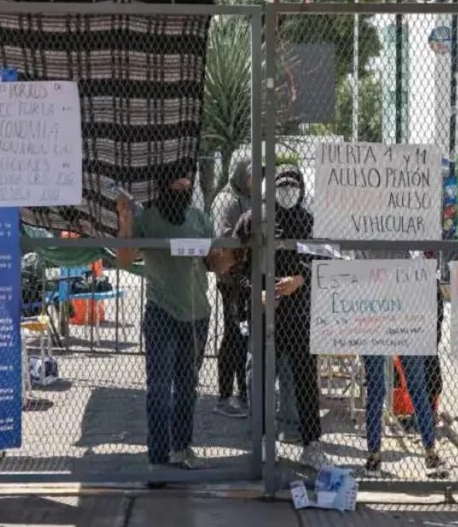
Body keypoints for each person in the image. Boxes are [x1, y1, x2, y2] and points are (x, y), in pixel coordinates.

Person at [116, 162, 235, 476]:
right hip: (161, 312)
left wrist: (235, 246)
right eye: (176, 187)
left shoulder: (199, 218)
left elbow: (217, 264)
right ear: (162, 186)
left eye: (187, 187)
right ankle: (157, 456)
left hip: (196, 314)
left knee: (187, 387)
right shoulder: (149, 218)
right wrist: (125, 221)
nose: (182, 192)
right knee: (158, 388)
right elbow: (126, 260)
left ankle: (181, 447)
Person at [234, 163, 325, 470]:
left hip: (298, 315)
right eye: (282, 186)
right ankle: (260, 441)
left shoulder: (308, 222)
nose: (288, 192)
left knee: (304, 382)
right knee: (259, 378)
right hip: (263, 315)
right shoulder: (253, 222)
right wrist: (256, 292)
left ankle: (311, 443)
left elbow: (320, 265)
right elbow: (235, 268)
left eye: (293, 186)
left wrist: (299, 279)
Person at [353, 250, 443, 478]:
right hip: (378, 318)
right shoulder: (374, 241)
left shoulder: (400, 244)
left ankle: (427, 451)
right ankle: (377, 453)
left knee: (410, 387)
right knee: (381, 388)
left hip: (400, 319)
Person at [211, 149, 253, 418]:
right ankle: (226, 395)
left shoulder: (247, 198)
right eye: (250, 174)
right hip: (232, 279)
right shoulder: (226, 201)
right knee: (234, 335)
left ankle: (244, 392)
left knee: (243, 335)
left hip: (247, 278)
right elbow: (225, 240)